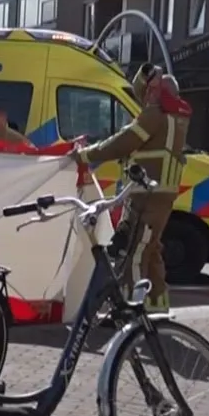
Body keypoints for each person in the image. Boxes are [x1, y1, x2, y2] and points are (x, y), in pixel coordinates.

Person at [74, 64, 191, 314]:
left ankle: (131, 310)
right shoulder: (176, 116)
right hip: (159, 194)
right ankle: (157, 306)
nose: (146, 95)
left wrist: (85, 155)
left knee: (135, 252)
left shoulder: (155, 114)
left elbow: (123, 142)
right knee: (151, 250)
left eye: (150, 90)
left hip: (146, 195)